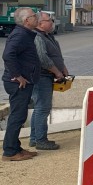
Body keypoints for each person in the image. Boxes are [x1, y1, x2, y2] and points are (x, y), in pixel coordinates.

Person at [0, 7, 41, 161]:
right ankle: (10, 152)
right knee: (17, 116)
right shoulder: (20, 35)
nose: (37, 18)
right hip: (18, 83)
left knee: (19, 115)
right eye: (34, 16)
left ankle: (15, 147)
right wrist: (17, 76)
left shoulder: (24, 34)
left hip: (24, 82)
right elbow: (8, 55)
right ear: (26, 20)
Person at [30, 11, 69, 150]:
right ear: (40, 23)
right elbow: (43, 58)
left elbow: (55, 55)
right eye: (49, 20)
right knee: (43, 108)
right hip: (42, 76)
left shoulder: (48, 36)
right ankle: (40, 140)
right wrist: (57, 71)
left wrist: (63, 67)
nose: (52, 22)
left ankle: (35, 138)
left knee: (39, 108)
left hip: (46, 76)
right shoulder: (37, 36)